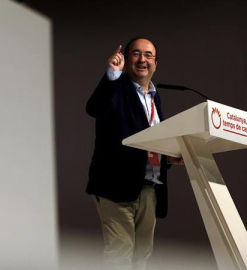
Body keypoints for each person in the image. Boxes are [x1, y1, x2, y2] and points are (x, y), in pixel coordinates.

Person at [86, 37, 184, 270]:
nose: (142, 59)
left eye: (148, 55)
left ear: (155, 63)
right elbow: (94, 108)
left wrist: (168, 155)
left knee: (141, 255)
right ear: (127, 59)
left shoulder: (154, 97)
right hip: (115, 186)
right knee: (120, 252)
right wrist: (112, 74)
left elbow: (150, 140)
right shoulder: (116, 88)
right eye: (136, 54)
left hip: (149, 186)